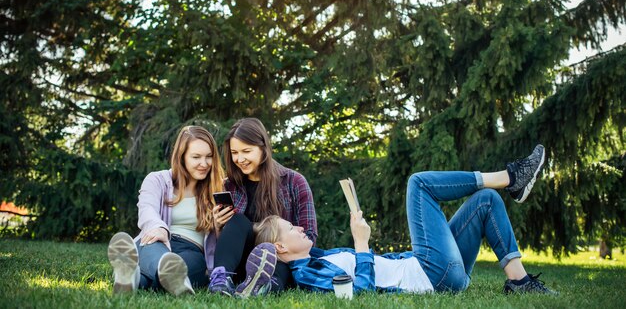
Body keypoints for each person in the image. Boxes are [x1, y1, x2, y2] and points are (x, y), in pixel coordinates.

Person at [254, 144, 558, 295]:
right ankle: (510, 176)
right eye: (291, 228)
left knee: (486, 200)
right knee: (419, 184)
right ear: (280, 248)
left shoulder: (321, 257)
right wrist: (361, 243)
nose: (301, 226)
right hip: (431, 275)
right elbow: (357, 293)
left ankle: (519, 281)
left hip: (432, 269)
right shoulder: (308, 275)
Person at [106, 125, 272, 297]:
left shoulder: (218, 188)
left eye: (209, 157)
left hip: (191, 250)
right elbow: (147, 208)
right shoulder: (157, 180)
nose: (204, 163)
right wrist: (159, 228)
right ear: (182, 157)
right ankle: (160, 272)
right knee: (158, 255)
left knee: (191, 266)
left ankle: (134, 278)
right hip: (157, 240)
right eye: (196, 157)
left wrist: (218, 226)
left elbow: (223, 242)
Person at [207, 117, 318, 296]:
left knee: (278, 265)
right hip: (240, 261)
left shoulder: (294, 182)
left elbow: (310, 236)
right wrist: (219, 226)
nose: (239, 159)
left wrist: (282, 248)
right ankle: (220, 280)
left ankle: (262, 287)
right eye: (234, 152)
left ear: (263, 148)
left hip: (280, 260)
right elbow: (227, 241)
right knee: (238, 220)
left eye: (246, 151)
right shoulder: (229, 186)